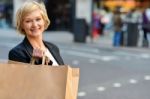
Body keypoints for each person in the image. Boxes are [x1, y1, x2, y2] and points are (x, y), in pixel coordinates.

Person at [8, 1, 64, 66]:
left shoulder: (54, 48)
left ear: (44, 21)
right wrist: (36, 62)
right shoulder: (16, 53)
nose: (34, 25)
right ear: (22, 25)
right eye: (28, 21)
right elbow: (23, 76)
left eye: (38, 19)